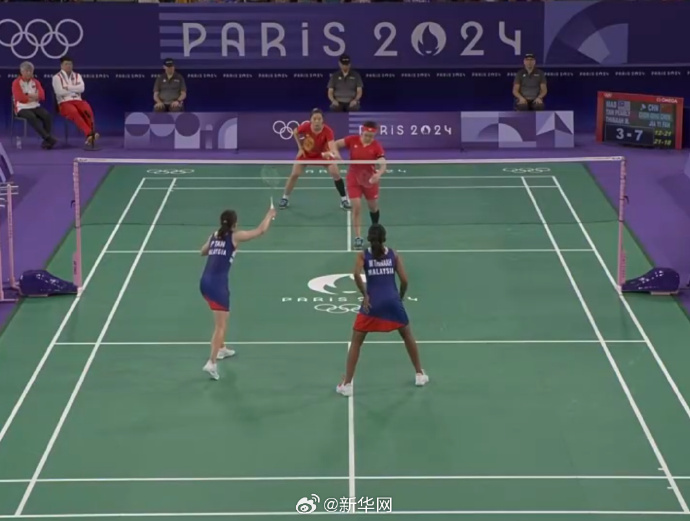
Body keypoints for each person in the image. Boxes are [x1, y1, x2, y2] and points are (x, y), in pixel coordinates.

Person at [336, 224, 428, 397]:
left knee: (356, 341)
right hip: (392, 302)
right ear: (384, 238)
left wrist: (365, 294)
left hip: (372, 304)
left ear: (369, 239)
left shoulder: (363, 255)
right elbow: (405, 280)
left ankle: (347, 384)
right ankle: (419, 374)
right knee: (407, 335)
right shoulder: (394, 254)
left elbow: (356, 275)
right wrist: (400, 297)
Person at [199, 204, 276, 380]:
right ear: (235, 224)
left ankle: (221, 348)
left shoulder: (214, 235)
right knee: (220, 325)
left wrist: (217, 249)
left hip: (205, 283)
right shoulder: (235, 236)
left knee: (224, 317)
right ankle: (212, 362)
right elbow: (260, 231)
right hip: (218, 285)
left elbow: (202, 252)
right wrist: (269, 215)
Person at [279, 108, 351, 211]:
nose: (317, 121)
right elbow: (295, 132)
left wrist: (333, 154)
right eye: (314, 119)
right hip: (307, 154)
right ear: (311, 120)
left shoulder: (328, 131)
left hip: (323, 155)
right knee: (294, 174)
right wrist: (300, 148)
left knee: (335, 173)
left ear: (323, 120)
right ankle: (285, 198)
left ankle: (344, 200)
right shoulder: (305, 127)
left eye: (319, 119)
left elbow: (332, 147)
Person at [332, 121, 385, 250]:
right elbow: (335, 144)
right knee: (356, 207)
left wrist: (379, 174)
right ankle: (358, 237)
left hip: (370, 180)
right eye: (366, 135)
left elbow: (383, 162)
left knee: (373, 208)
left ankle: (375, 229)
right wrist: (336, 154)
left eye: (371, 136)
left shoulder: (376, 146)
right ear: (362, 132)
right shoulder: (353, 140)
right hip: (353, 178)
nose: (368, 138)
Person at [52, 55, 98, 146]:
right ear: (61, 65)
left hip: (78, 100)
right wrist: (74, 89)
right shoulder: (56, 77)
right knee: (73, 111)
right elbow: (59, 92)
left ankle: (90, 137)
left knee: (87, 109)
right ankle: (90, 133)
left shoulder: (77, 76)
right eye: (66, 64)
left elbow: (81, 89)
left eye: (70, 64)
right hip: (63, 103)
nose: (68, 66)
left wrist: (67, 87)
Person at [12, 61, 56, 149]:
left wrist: (27, 95)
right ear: (21, 72)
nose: (29, 73)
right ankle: (48, 138)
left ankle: (46, 142)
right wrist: (34, 96)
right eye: (26, 71)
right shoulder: (16, 82)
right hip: (21, 107)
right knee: (31, 116)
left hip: (34, 106)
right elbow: (20, 98)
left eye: (30, 71)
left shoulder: (36, 82)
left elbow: (42, 96)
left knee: (46, 115)